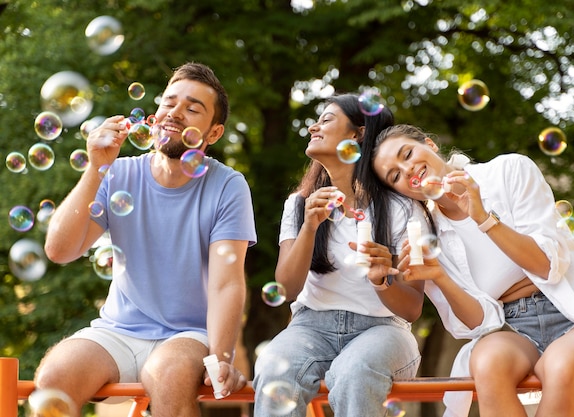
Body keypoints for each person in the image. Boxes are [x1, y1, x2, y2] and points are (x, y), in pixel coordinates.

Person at [34, 62, 257, 417]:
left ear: (213, 134)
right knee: (53, 376)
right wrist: (96, 167)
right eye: (169, 102)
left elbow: (226, 284)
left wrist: (222, 356)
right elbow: (59, 251)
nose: (175, 113)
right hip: (117, 330)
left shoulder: (228, 185)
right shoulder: (116, 173)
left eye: (192, 108)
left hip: (188, 335)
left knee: (168, 374)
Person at [369, 123, 574, 417]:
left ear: (431, 144)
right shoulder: (424, 236)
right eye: (396, 176)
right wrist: (438, 275)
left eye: (408, 153)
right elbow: (479, 325)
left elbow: (546, 265)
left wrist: (483, 219)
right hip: (513, 329)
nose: (408, 170)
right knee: (487, 363)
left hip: (571, 317)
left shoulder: (509, 171)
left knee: (559, 364)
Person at [253, 94, 427, 416]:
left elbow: (413, 309)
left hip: (383, 330)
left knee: (354, 371)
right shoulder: (300, 203)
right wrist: (308, 227)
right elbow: (287, 288)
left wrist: (383, 282)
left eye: (326, 119)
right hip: (309, 328)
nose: (312, 127)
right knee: (274, 368)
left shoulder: (403, 209)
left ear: (357, 135)